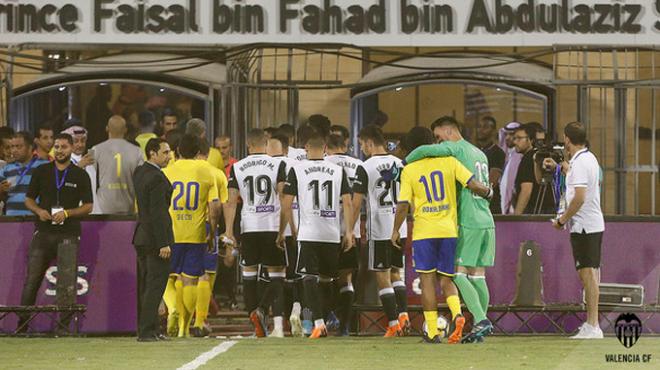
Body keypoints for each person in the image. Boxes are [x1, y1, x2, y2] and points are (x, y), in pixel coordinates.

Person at [391, 127, 492, 344]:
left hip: (424, 232)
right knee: (448, 278)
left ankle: (433, 332)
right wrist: (490, 193)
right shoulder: (450, 162)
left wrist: (395, 230)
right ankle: (457, 315)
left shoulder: (409, 170)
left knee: (427, 281)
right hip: (449, 230)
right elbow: (473, 184)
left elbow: (402, 205)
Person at [277, 131, 354, 339]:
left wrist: (288, 229)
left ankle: (318, 322)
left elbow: (287, 202)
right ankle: (324, 319)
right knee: (327, 280)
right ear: (326, 150)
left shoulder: (297, 169)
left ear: (306, 150)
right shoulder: (338, 171)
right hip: (331, 233)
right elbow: (347, 202)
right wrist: (349, 232)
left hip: (308, 232)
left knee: (307, 277)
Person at [19, 133, 93, 333]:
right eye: (57, 147)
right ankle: (22, 327)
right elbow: (29, 199)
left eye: (64, 147)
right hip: (43, 233)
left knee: (67, 283)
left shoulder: (80, 175)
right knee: (32, 280)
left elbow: (88, 206)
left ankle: (63, 329)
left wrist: (68, 213)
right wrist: (39, 211)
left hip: (68, 234)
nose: (60, 150)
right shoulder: (41, 171)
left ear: (71, 149)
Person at [224, 128, 288, 338]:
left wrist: (228, 232)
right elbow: (281, 195)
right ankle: (261, 309)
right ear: (266, 142)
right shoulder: (278, 164)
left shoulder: (238, 167)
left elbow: (231, 201)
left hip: (249, 226)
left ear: (248, 145)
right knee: (277, 274)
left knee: (249, 275)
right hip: (271, 225)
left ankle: (256, 326)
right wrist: (283, 228)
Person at [545, 122, 605, 339]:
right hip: (588, 225)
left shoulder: (581, 163)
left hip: (585, 226)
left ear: (567, 139)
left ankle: (593, 325)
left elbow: (579, 196)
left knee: (589, 275)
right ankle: (592, 324)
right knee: (587, 274)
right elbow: (576, 177)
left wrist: (562, 220)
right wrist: (561, 166)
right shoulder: (588, 158)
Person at [353, 125, 410, 337]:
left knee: (382, 275)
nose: (362, 149)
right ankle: (403, 314)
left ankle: (393, 323)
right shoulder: (400, 164)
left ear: (369, 143)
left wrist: (351, 228)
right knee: (397, 273)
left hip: (379, 229)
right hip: (400, 227)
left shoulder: (365, 167)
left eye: (361, 145)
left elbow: (357, 202)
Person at [163, 134, 219, 338]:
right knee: (191, 280)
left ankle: (173, 311)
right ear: (198, 153)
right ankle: (185, 329)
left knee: (168, 278)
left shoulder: (167, 171)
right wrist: (212, 232)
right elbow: (214, 206)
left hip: (172, 232)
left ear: (177, 151)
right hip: (195, 233)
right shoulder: (206, 170)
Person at [133, 138, 174, 342]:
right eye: (165, 152)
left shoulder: (140, 172)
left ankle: (148, 329)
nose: (169, 156)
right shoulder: (157, 177)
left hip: (141, 236)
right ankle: (148, 331)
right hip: (155, 239)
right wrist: (163, 242)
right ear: (152, 153)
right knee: (155, 285)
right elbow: (158, 212)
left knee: (146, 285)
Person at [324, 134, 364, 336]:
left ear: (327, 147)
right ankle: (345, 326)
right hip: (351, 230)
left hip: (326, 229)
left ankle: (328, 315)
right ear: (345, 146)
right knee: (346, 278)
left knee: (324, 277)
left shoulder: (323, 164)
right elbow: (357, 201)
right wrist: (351, 229)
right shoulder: (358, 165)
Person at [190, 140, 230, 337]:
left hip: (185, 225)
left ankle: (182, 318)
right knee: (206, 274)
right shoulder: (216, 173)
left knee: (184, 274)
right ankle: (201, 320)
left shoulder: (181, 170)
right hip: (206, 225)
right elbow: (219, 205)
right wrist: (215, 231)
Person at [266, 134, 304, 337]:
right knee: (299, 276)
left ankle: (278, 327)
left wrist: (283, 229)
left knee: (276, 277)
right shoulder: (300, 164)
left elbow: (282, 199)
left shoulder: (266, 165)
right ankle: (298, 312)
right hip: (300, 226)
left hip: (275, 226)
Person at [92, 116, 144, 215]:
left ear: (107, 128)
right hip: (128, 206)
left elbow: (88, 177)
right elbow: (141, 180)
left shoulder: (94, 149)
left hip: (102, 208)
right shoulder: (137, 151)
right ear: (125, 130)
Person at [0, 132, 49, 215]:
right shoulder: (6, 169)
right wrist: (1, 190)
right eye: (12, 147)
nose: (14, 150)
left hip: (36, 218)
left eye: (18, 146)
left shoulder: (44, 166)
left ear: (30, 148)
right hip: (11, 220)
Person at [513, 124, 555, 214]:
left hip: (534, 213)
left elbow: (526, 190)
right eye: (515, 138)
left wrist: (516, 217)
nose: (515, 142)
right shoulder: (538, 156)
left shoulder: (529, 158)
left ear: (531, 140)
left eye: (519, 138)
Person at [476, 116, 505, 214]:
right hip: (475, 202)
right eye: (479, 126)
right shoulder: (475, 151)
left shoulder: (497, 152)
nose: (480, 130)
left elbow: (492, 181)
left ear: (493, 131)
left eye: (485, 127)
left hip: (491, 205)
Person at [499, 122, 522, 214]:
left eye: (512, 134)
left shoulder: (519, 157)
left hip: (514, 210)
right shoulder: (508, 156)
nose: (507, 138)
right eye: (506, 134)